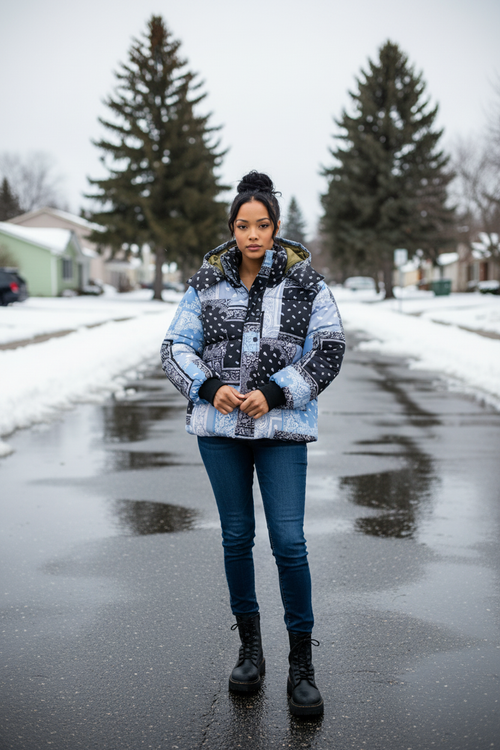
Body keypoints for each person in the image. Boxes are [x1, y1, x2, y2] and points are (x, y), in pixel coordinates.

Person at [160, 171, 345, 717]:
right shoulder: (206, 282)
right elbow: (174, 347)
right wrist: (208, 386)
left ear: (276, 226)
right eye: (243, 226)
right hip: (221, 433)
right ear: (232, 229)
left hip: (281, 431)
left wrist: (277, 392)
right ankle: (250, 650)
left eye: (262, 225)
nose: (253, 235)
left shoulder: (306, 284)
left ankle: (301, 666)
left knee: (289, 542)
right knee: (237, 537)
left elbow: (329, 349)